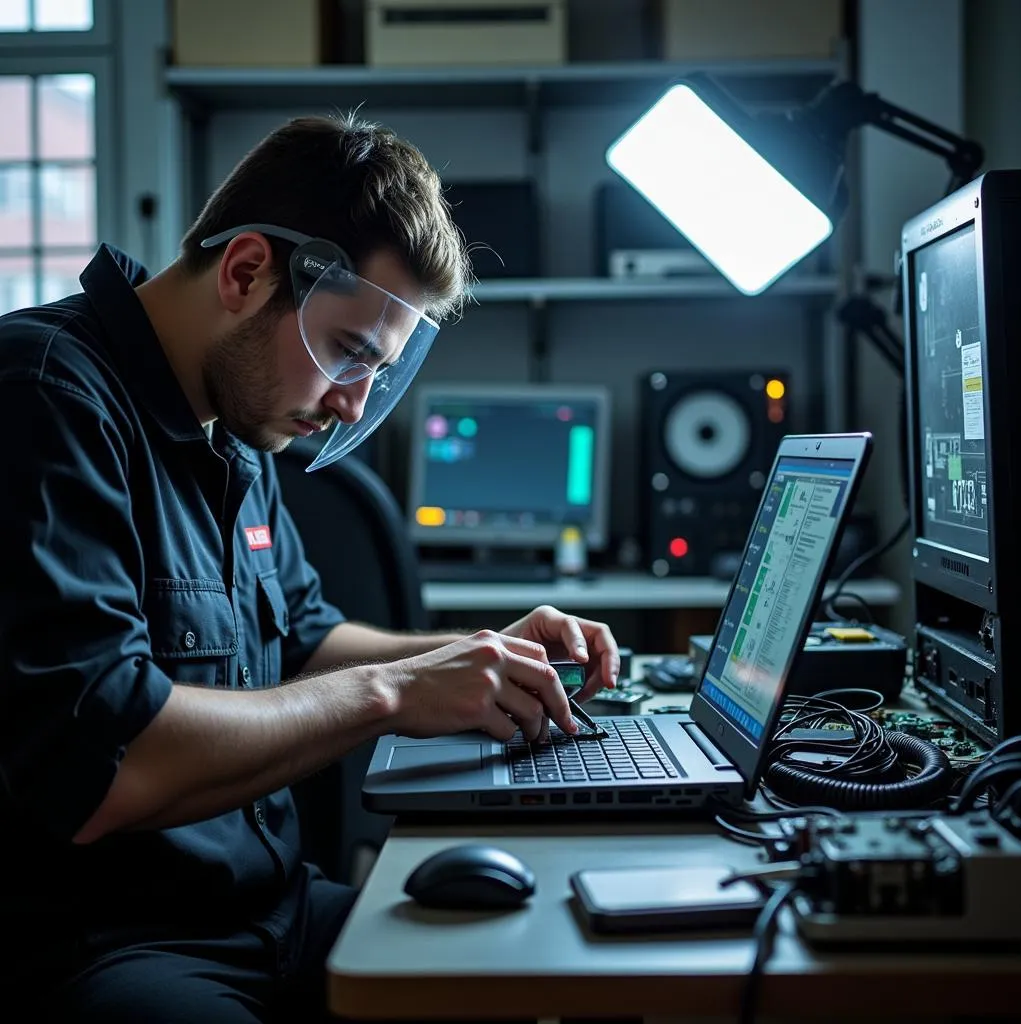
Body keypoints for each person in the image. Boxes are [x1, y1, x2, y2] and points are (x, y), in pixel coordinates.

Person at [0, 113, 620, 1023]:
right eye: (347, 352)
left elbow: (306, 639)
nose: (350, 404)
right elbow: (106, 767)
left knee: (542, 970)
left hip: (276, 911)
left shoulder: (235, 419)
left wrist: (480, 655)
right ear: (247, 271)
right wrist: (396, 693)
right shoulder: (44, 396)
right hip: (110, 946)